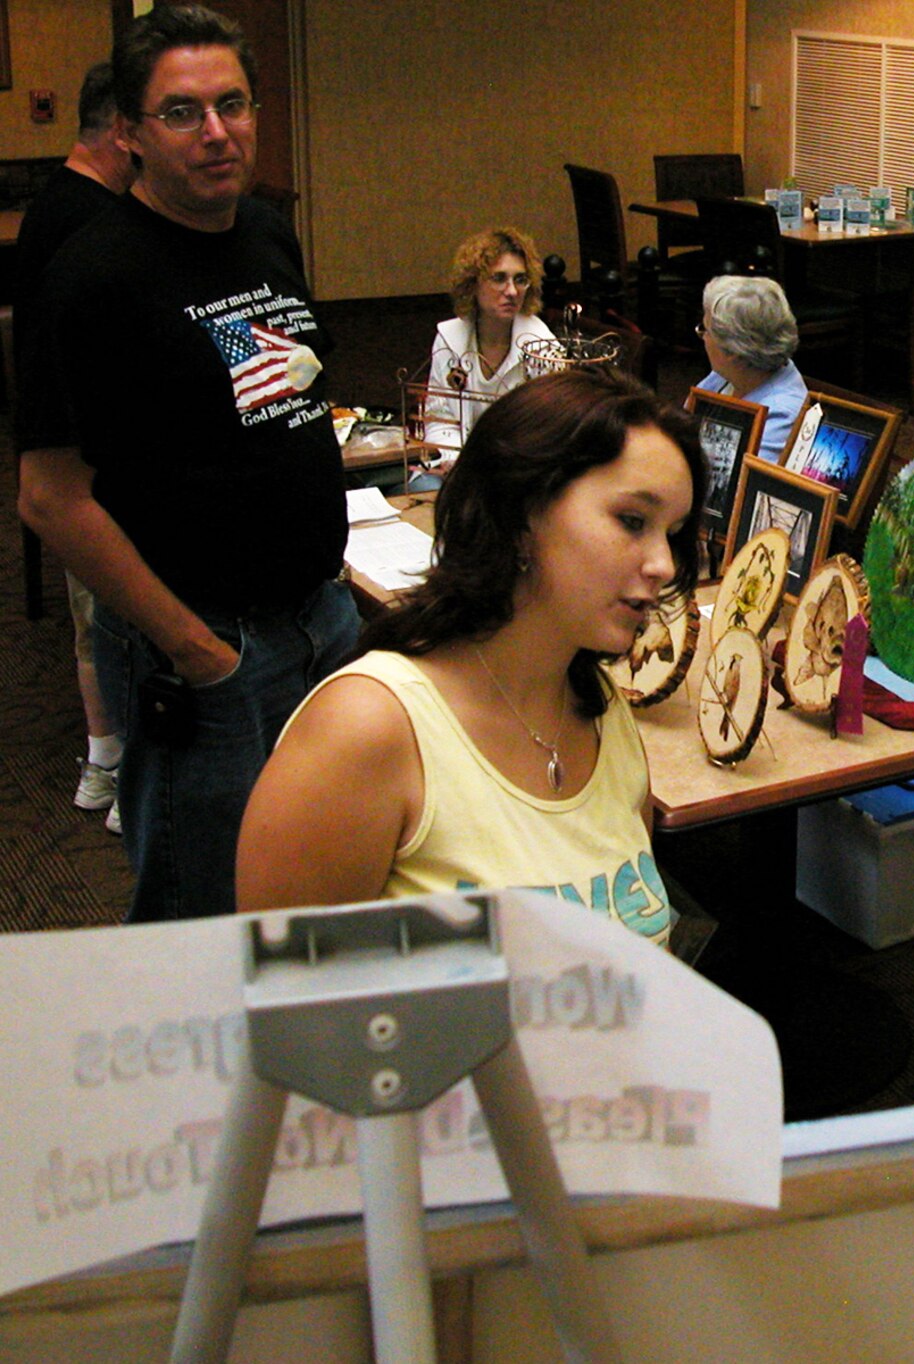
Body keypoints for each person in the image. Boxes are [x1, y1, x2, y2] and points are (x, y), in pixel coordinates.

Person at [15, 5, 359, 922]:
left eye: (232, 105)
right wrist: (193, 649)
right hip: (207, 647)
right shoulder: (92, 276)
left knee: (316, 878)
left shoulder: (266, 232)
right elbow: (49, 499)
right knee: (199, 909)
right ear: (129, 133)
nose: (216, 132)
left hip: (321, 618)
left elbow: (282, 397)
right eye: (182, 112)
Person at [236, 369, 704, 947]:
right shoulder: (367, 729)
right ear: (520, 513)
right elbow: (288, 991)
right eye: (632, 521)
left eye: (672, 533)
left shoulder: (602, 710)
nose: (663, 564)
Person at [12, 62, 136, 834]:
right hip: (96, 467)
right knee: (120, 620)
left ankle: (104, 759)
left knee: (93, 621)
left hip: (66, 452)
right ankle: (129, 781)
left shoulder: (53, 207)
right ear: (124, 131)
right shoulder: (95, 226)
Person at [420, 226, 558, 473]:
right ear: (473, 284)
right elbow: (439, 420)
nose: (512, 291)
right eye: (498, 278)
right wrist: (459, 464)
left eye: (520, 280)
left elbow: (552, 430)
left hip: (521, 470)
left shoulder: (542, 345)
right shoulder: (449, 338)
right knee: (418, 486)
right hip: (460, 468)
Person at [695, 273, 808, 465]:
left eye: (705, 330)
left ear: (732, 351)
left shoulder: (781, 415)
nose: (703, 338)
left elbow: (744, 479)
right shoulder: (726, 376)